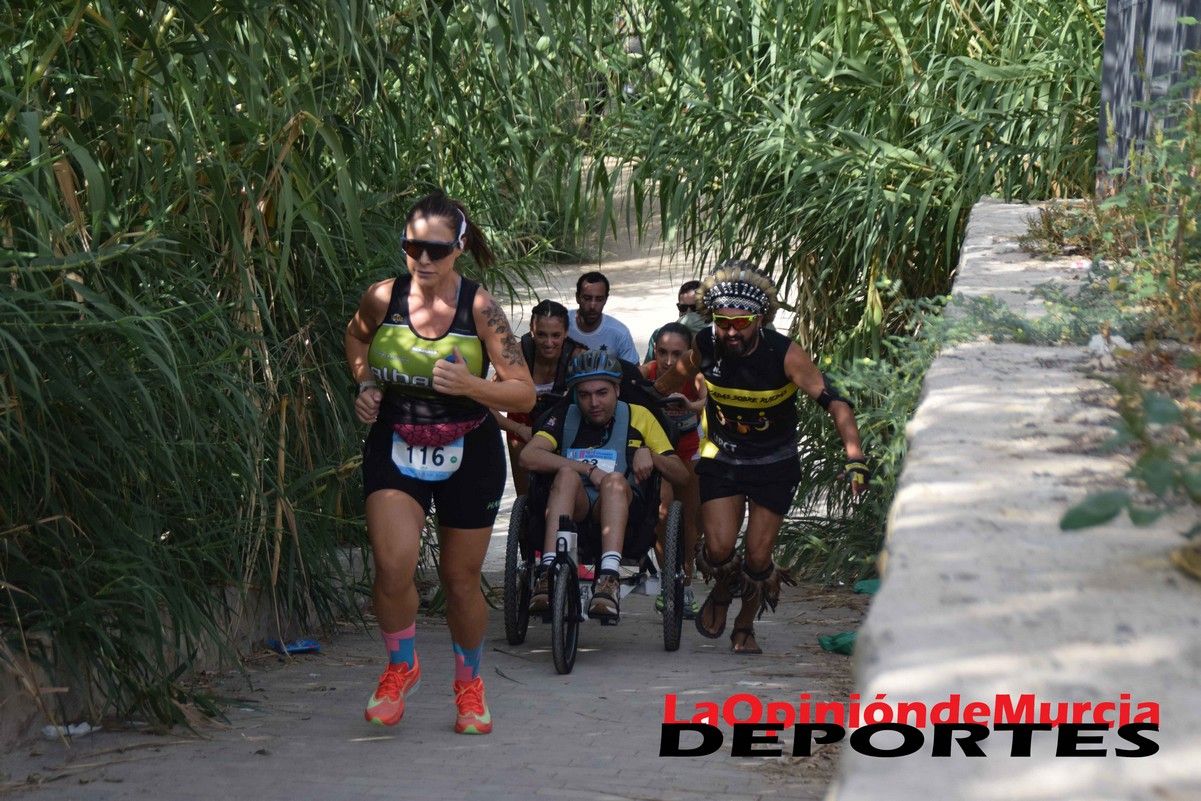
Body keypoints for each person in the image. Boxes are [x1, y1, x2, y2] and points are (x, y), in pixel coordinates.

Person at [344, 192, 535, 734]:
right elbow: (356, 336)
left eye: (436, 249)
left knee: (459, 580)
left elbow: (524, 392)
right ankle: (400, 667)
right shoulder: (383, 298)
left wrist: (472, 385)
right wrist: (365, 383)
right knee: (392, 564)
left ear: (459, 248)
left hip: (469, 448)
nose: (423, 259)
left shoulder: (481, 309)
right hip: (395, 440)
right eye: (413, 247)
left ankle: (469, 686)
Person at [652, 261, 869, 654]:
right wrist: (649, 396)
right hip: (722, 456)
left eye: (741, 323)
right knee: (717, 549)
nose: (731, 332)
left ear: (760, 319)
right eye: (723, 323)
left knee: (757, 555)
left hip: (774, 463)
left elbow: (836, 402)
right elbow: (667, 379)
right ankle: (723, 586)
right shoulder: (706, 345)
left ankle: (745, 624)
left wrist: (854, 457)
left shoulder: (785, 355)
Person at [519, 350, 688, 619]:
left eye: (602, 393)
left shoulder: (640, 416)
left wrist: (651, 455)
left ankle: (609, 578)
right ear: (575, 395)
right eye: (584, 395)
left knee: (614, 482)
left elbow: (681, 475)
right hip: (575, 504)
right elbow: (528, 456)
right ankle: (547, 573)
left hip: (622, 506)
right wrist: (588, 469)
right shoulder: (565, 415)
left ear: (617, 390)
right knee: (566, 475)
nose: (594, 402)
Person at [641, 322, 706, 619]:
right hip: (657, 450)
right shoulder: (647, 372)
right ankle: (669, 583)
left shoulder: (695, 375)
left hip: (688, 449)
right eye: (662, 352)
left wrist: (691, 406)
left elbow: (708, 400)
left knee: (690, 521)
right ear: (654, 351)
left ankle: (686, 583)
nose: (668, 361)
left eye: (677, 354)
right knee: (662, 513)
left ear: (688, 354)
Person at [492, 300, 585, 497]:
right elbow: (485, 405)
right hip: (522, 425)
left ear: (566, 333)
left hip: (565, 425)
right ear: (531, 331)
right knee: (525, 495)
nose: (549, 343)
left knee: (564, 487)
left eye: (556, 335)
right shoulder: (515, 356)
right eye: (542, 334)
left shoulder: (579, 358)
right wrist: (518, 429)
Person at [567, 271, 640, 364]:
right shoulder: (561, 323)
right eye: (587, 298)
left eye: (599, 299)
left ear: (606, 299)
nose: (592, 306)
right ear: (577, 297)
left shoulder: (620, 333)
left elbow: (633, 370)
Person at [643, 280, 704, 363]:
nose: (688, 313)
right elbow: (649, 366)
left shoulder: (712, 335)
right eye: (683, 308)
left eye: (694, 308)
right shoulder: (660, 335)